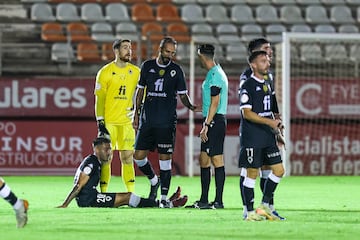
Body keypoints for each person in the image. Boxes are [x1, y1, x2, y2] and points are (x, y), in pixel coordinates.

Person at [132, 36, 199, 207]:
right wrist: (136, 114)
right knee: (138, 157)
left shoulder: (177, 70)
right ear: (160, 49)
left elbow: (182, 95)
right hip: (147, 120)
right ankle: (154, 181)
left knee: (165, 161)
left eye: (173, 53)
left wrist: (191, 106)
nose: (170, 55)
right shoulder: (147, 66)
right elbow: (140, 92)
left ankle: (163, 198)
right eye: (167, 51)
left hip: (167, 122)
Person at [57, 137, 188, 209]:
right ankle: (167, 204)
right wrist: (65, 204)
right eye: (106, 149)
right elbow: (78, 185)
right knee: (127, 197)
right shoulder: (91, 164)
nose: (109, 152)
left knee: (128, 197)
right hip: (89, 200)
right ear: (97, 149)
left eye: (110, 149)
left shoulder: (93, 161)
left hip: (90, 197)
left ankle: (161, 202)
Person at [238, 38, 285, 220]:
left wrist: (277, 120)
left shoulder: (269, 77)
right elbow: (247, 113)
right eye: (265, 54)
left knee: (277, 170)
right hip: (252, 134)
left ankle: (266, 205)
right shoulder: (246, 81)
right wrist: (269, 122)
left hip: (267, 133)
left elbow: (272, 101)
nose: (269, 58)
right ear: (254, 61)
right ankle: (248, 211)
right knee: (250, 172)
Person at [94, 39, 140, 193]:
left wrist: (137, 108)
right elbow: (99, 99)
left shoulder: (136, 72)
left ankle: (131, 193)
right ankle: (103, 193)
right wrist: (100, 121)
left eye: (130, 48)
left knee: (127, 158)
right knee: (106, 159)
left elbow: (143, 94)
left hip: (126, 123)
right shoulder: (105, 72)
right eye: (125, 48)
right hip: (109, 122)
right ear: (116, 51)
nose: (129, 51)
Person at [185, 44, 228, 209]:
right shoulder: (214, 73)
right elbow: (212, 101)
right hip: (212, 119)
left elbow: (216, 102)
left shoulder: (216, 75)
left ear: (202, 56)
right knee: (203, 160)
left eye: (198, 57)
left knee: (216, 159)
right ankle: (203, 200)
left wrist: (206, 125)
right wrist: (199, 108)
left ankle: (218, 201)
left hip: (215, 122)